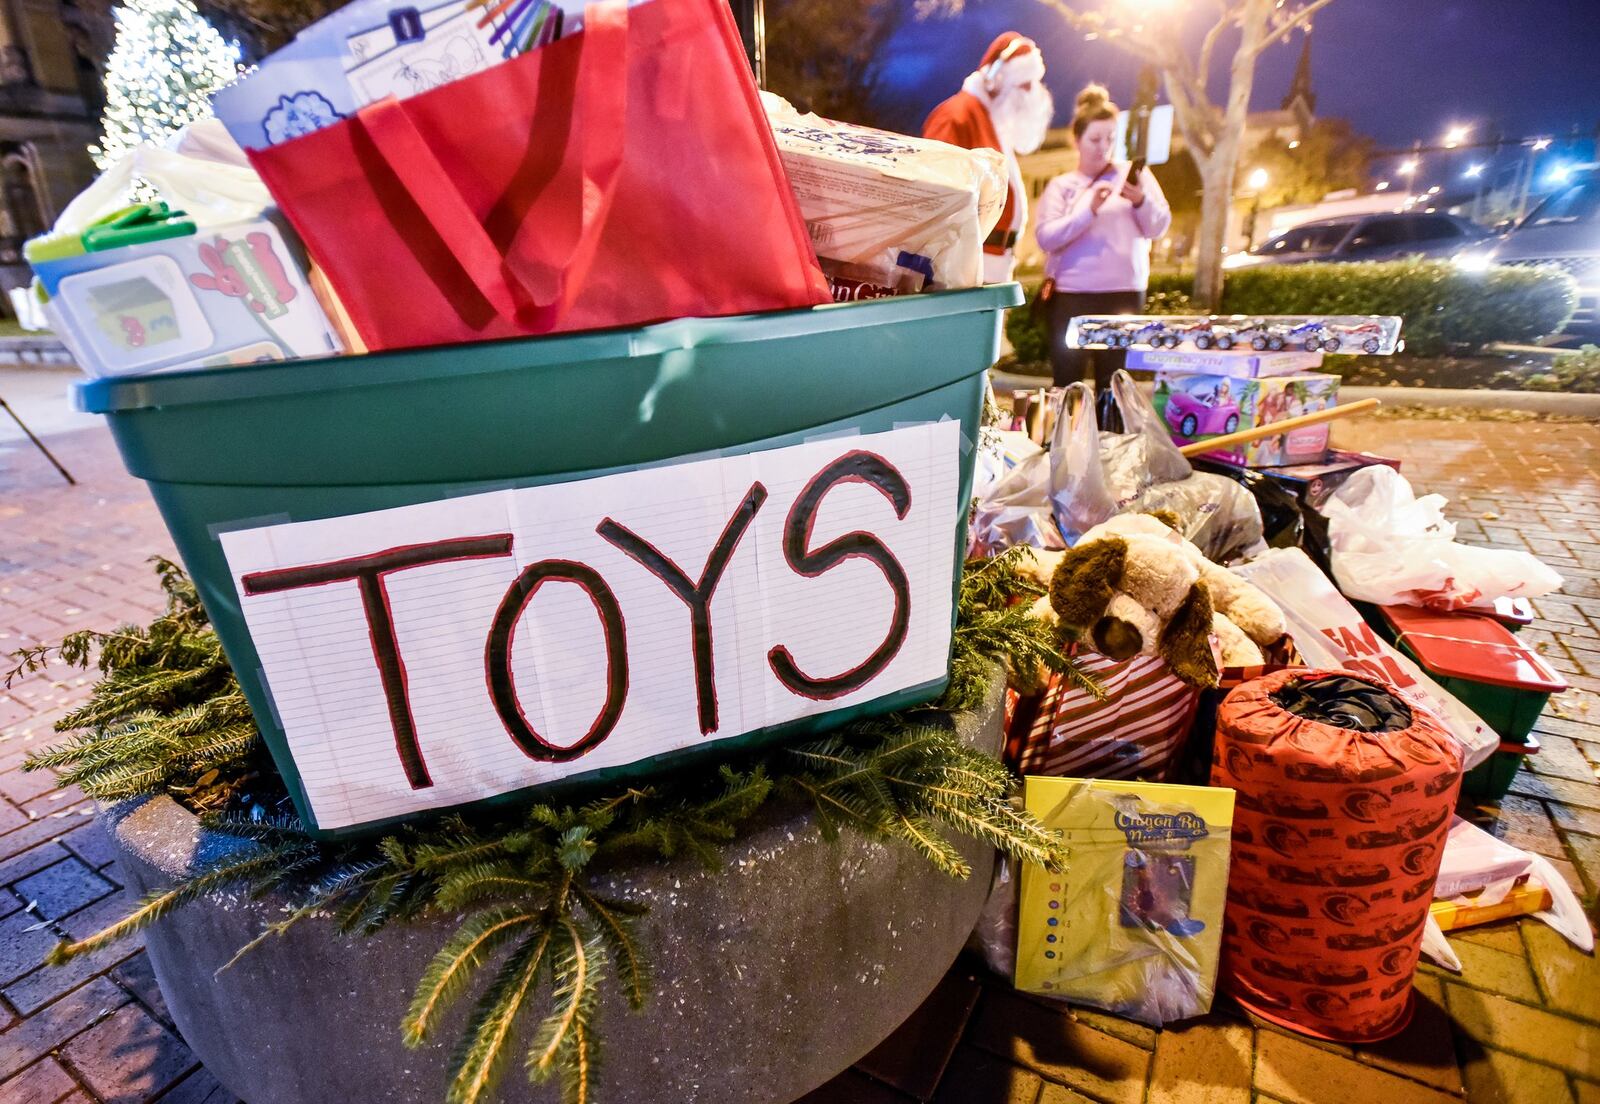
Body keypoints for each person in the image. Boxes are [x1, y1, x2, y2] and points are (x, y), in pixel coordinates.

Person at [1035, 84, 1172, 388]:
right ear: (1077, 140)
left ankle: (1111, 437)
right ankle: (1067, 437)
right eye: (1094, 139)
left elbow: (1158, 226)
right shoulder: (1062, 185)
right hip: (1071, 296)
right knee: (1068, 383)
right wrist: (1088, 211)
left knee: (1113, 385)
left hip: (1123, 294)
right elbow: (1046, 237)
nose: (1103, 147)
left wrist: (1140, 201)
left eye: (1110, 138)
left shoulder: (1135, 177)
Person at [922, 32, 1054, 284]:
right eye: (1024, 85)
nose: (1031, 93)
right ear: (997, 78)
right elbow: (935, 195)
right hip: (965, 271)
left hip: (990, 266)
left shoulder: (993, 120)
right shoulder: (957, 116)